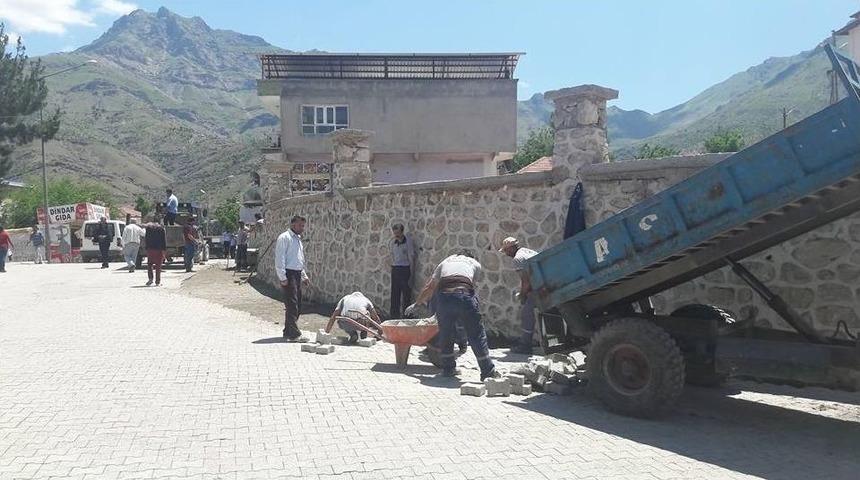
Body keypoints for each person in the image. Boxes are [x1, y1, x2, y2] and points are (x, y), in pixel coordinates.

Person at [406, 251, 500, 380]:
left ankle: (448, 369)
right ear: (470, 257)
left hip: (444, 299)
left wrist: (416, 304)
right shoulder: (475, 263)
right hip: (464, 296)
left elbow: (430, 286)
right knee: (476, 334)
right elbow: (471, 287)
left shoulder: (445, 261)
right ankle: (487, 370)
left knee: (446, 333)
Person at [499, 237, 540, 354]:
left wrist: (522, 295)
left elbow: (526, 282)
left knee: (527, 314)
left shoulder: (518, 259)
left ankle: (526, 345)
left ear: (511, 248)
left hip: (538, 287)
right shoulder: (527, 251)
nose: (506, 254)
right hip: (544, 282)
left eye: (506, 251)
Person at [275, 215, 310, 342]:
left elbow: (298, 259)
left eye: (303, 226)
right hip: (288, 274)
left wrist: (303, 275)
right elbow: (280, 258)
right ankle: (295, 334)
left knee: (297, 304)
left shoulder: (298, 239)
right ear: (293, 224)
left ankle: (288, 331)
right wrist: (282, 277)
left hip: (296, 273)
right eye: (300, 225)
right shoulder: (284, 238)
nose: (302, 228)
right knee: (292, 304)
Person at [388, 224, 415, 318]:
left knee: (406, 294)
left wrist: (411, 274)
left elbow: (411, 257)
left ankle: (407, 316)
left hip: (405, 269)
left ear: (402, 232)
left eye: (398, 233)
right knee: (395, 293)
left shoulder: (408, 241)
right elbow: (391, 255)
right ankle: (394, 316)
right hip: (395, 268)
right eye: (395, 233)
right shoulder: (392, 242)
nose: (396, 236)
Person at [144, 219, 167, 286]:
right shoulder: (161, 229)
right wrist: (164, 250)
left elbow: (146, 238)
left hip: (150, 249)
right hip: (159, 249)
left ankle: (150, 279)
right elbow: (163, 240)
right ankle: (157, 281)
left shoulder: (148, 228)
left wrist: (147, 247)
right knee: (158, 266)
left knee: (149, 264)